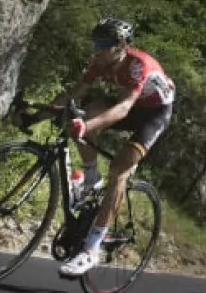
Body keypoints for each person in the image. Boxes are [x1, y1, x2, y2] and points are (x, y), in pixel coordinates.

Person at [49, 17, 176, 277]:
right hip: (129, 106)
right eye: (96, 42)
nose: (97, 48)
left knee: (119, 170)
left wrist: (87, 126)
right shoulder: (100, 63)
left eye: (103, 43)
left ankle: (91, 250)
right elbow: (75, 92)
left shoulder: (138, 65)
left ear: (120, 46)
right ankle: (91, 176)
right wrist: (41, 112)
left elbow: (123, 108)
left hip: (153, 114)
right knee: (90, 108)